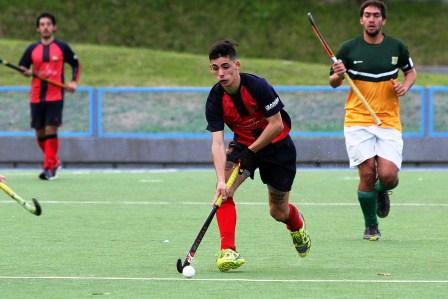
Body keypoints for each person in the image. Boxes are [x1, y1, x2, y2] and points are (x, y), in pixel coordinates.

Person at [205, 40, 311, 272]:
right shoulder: (215, 98)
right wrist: (221, 181)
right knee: (223, 193)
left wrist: (252, 151)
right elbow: (217, 143)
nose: (221, 73)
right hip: (243, 145)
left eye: (225, 66)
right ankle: (228, 250)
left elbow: (276, 124)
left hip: (278, 147)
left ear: (237, 65)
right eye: (215, 68)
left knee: (278, 211)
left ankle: (296, 224)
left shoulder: (258, 86)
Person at [329, 0, 417, 241]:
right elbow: (333, 82)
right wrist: (338, 73)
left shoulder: (397, 47)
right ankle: (371, 225)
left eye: (376, 15)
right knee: (367, 174)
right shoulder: (348, 49)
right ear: (361, 20)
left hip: (388, 120)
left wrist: (405, 86)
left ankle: (381, 191)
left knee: (388, 176)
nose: (371, 19)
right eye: (367, 15)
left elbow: (410, 71)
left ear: (383, 20)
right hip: (357, 119)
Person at [19, 12, 80, 180]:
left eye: (48, 24)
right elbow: (23, 66)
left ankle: (49, 168)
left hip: (55, 96)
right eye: (42, 24)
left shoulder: (62, 47)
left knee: (50, 129)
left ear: (54, 27)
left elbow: (75, 64)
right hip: (37, 96)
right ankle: (54, 160)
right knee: (40, 134)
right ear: (38, 28)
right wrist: (26, 72)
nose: (45, 27)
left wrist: (73, 81)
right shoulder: (32, 49)